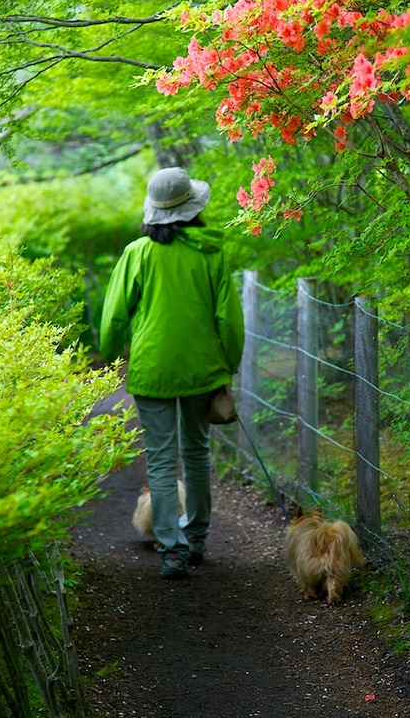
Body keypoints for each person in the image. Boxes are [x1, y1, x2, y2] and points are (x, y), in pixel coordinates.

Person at [100, 166, 245, 579]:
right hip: (202, 370)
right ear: (193, 209)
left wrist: (111, 360)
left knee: (161, 461)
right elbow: (230, 321)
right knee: (197, 452)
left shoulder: (137, 254)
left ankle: (172, 550)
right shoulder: (212, 253)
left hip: (153, 370)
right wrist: (229, 365)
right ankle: (196, 536)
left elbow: (112, 318)